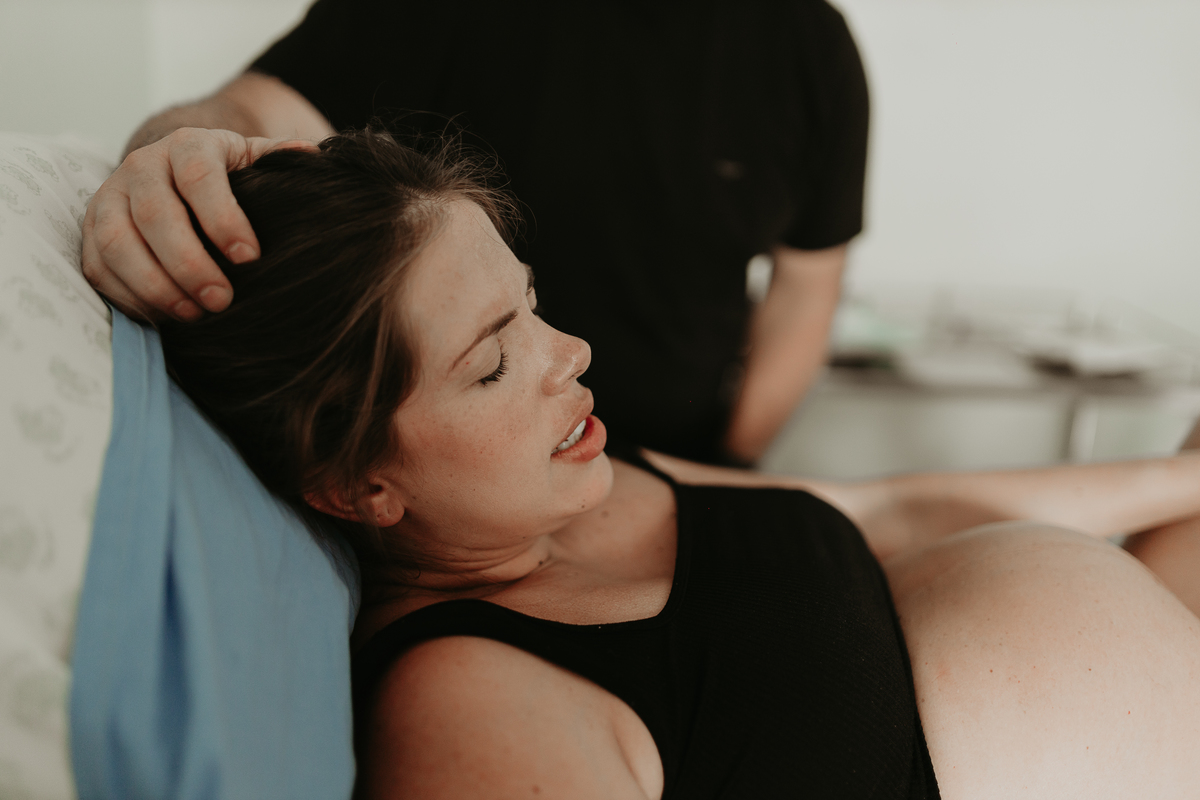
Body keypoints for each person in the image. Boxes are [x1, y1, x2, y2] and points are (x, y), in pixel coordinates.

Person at [147, 131, 1200, 799]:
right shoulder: (462, 705)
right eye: (494, 362)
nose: (571, 353)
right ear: (356, 483)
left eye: (532, 304)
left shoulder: (587, 477)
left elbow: (894, 510)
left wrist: (1179, 479)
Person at [81, 0, 869, 465]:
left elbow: (806, 290)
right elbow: (254, 116)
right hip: (468, 489)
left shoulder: (808, 45)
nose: (573, 351)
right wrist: (178, 155)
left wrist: (722, 464)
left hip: (678, 460)